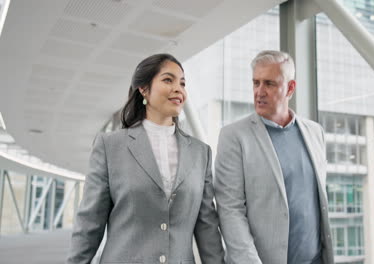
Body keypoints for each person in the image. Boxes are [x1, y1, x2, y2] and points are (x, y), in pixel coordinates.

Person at [67, 54, 224, 264]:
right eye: (168, 80)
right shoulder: (110, 146)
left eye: (183, 83)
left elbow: (207, 228)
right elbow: (89, 223)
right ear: (144, 89)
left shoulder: (200, 153)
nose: (179, 88)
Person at [214, 50, 334, 264]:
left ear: (290, 88)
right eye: (255, 83)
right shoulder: (234, 136)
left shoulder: (315, 132)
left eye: (269, 84)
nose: (259, 92)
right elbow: (230, 211)